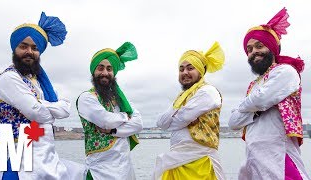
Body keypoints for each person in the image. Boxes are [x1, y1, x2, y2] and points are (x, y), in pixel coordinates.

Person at [0, 12, 84, 180]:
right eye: (24, 46)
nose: (29, 51)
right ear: (14, 49)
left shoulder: (39, 81)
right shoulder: (8, 78)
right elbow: (36, 112)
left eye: (35, 48)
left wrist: (40, 104)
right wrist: (46, 108)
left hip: (44, 154)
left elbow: (65, 110)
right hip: (18, 154)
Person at [228, 7, 311, 180]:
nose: (253, 52)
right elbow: (233, 122)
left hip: (279, 156)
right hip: (253, 158)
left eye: (259, 46)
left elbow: (261, 99)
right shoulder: (254, 84)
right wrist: (255, 107)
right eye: (249, 49)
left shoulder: (286, 72)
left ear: (272, 48)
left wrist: (250, 107)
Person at [154, 42, 226, 180]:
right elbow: (161, 123)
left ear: (200, 71)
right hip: (176, 163)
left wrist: (175, 119)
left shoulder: (208, 91)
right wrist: (177, 110)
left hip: (201, 162)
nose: (185, 73)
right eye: (181, 69)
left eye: (190, 68)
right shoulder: (181, 97)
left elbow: (181, 119)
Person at [76, 42, 143, 180]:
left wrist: (114, 131)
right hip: (100, 172)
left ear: (114, 73)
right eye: (100, 68)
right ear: (94, 71)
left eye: (109, 69)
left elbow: (138, 124)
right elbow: (106, 120)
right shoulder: (86, 98)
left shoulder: (122, 101)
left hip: (125, 170)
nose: (105, 73)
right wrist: (125, 116)